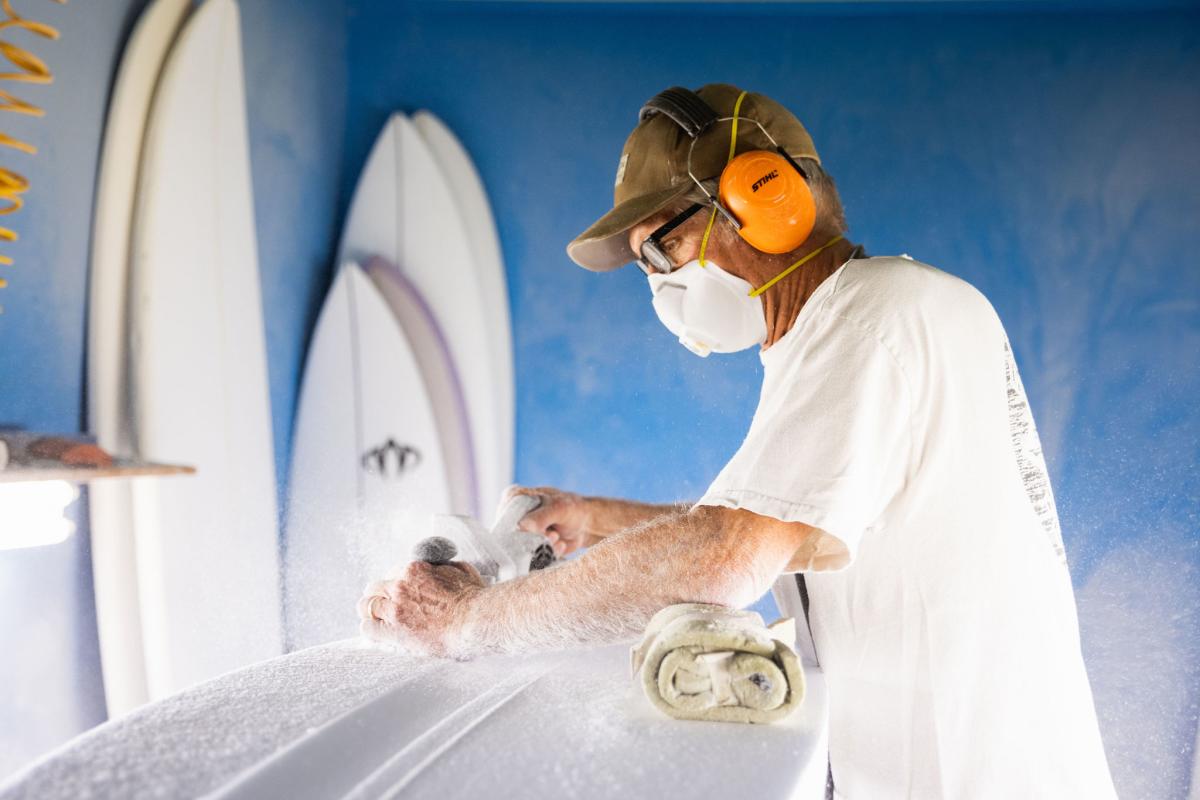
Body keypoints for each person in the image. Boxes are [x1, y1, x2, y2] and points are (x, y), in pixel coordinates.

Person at [358, 84, 1116, 798]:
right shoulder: (860, 322)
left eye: (662, 248)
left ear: (766, 199)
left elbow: (726, 552)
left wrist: (466, 621)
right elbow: (777, 523)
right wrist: (592, 517)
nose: (656, 283)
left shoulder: (875, 319)